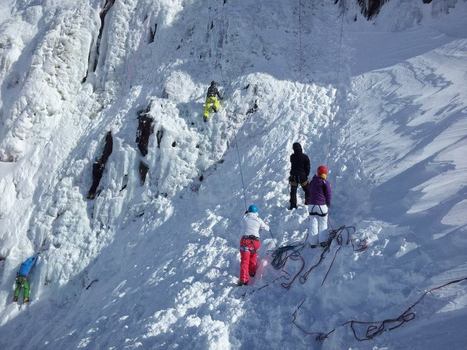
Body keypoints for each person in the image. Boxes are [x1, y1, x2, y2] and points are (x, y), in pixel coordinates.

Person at [238, 204, 270, 286]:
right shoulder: (258, 220)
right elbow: (267, 228)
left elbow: (242, 219)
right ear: (256, 212)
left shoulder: (245, 218)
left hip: (246, 241)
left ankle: (244, 280)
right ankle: (252, 272)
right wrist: (265, 224)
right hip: (255, 243)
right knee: (253, 257)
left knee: (245, 261)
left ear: (248, 211)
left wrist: (245, 214)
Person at [305, 165, 332, 247]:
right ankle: (323, 242)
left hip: (311, 206)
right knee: (323, 223)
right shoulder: (325, 183)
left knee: (313, 223)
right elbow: (328, 194)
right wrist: (328, 203)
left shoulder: (312, 181)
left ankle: (313, 243)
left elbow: (309, 192)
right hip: (321, 206)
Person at [289, 142, 310, 210]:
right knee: (307, 189)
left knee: (293, 191)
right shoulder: (305, 157)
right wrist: (306, 175)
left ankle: (293, 205)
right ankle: (308, 202)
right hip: (302, 176)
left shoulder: (292, 157)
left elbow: (292, 162)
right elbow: (308, 167)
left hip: (294, 176)